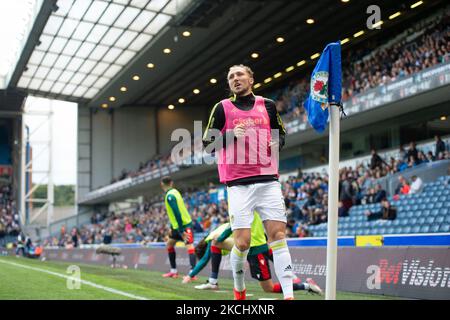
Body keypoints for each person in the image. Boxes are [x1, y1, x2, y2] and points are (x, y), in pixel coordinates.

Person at [203, 65, 294, 300]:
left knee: (278, 235)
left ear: (251, 79)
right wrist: (232, 135)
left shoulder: (268, 105)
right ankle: (239, 287)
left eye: (240, 74)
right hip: (238, 184)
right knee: (242, 243)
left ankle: (289, 295)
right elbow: (207, 144)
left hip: (268, 181)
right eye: (231, 76)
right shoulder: (222, 108)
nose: (235, 79)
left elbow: (281, 133)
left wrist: (278, 143)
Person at [183, 213, 322, 296]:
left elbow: (233, 227)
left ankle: (306, 286)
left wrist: (190, 275)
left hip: (254, 248)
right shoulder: (247, 200)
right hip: (252, 244)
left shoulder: (244, 201)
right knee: (218, 243)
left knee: (269, 288)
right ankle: (214, 282)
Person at [160, 176, 196, 278]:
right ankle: (173, 271)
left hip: (184, 226)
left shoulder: (170, 196)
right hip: (177, 227)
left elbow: (177, 213)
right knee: (169, 245)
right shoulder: (175, 192)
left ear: (161, 184)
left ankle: (192, 274)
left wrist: (181, 231)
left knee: (190, 246)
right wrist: (173, 228)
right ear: (171, 183)